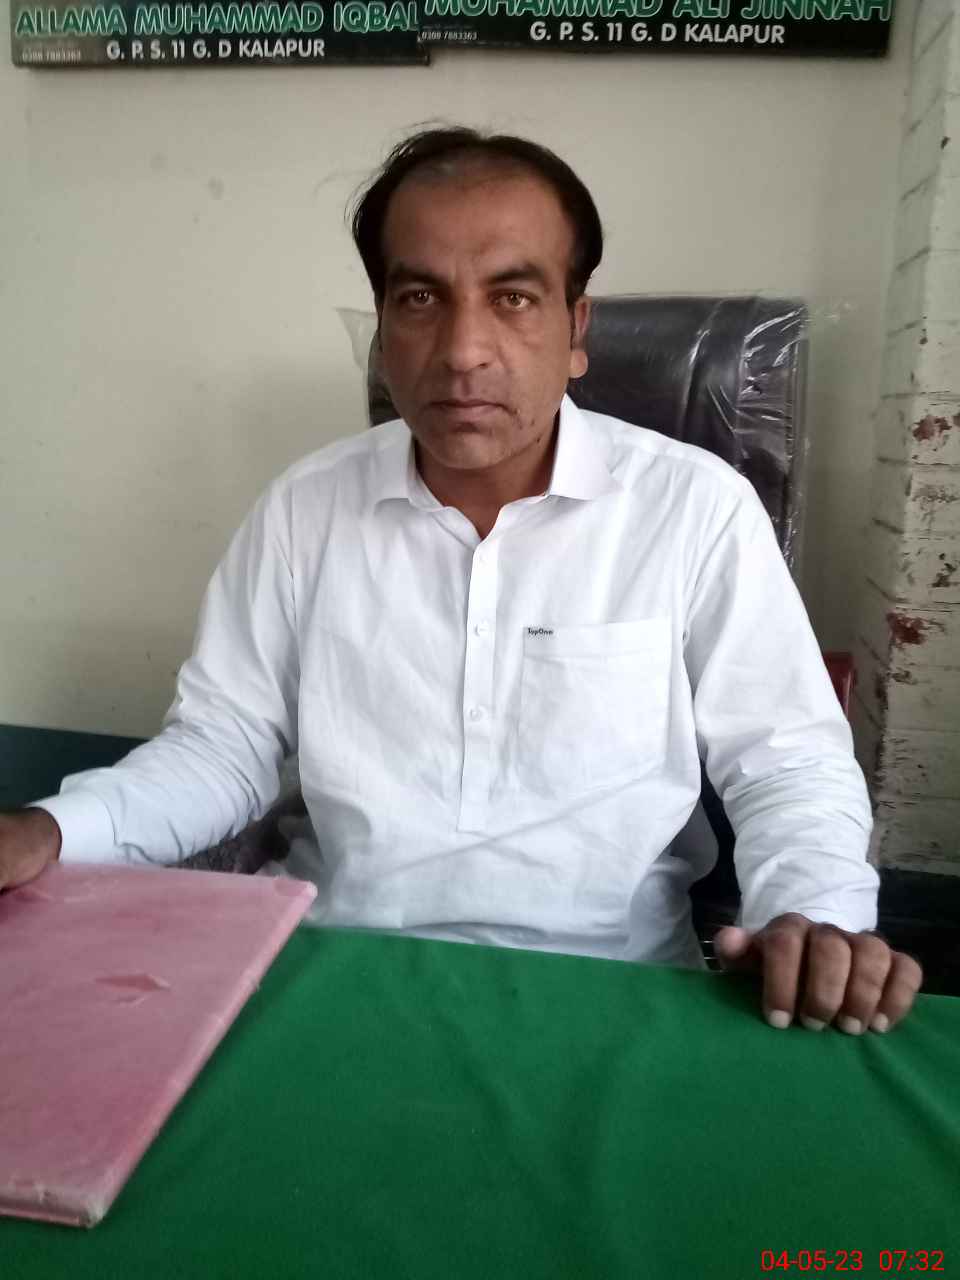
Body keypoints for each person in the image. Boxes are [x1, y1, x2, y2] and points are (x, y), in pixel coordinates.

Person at [0, 126, 921, 1034]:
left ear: (575, 328)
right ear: (383, 328)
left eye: (513, 298)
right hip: (332, 973)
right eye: (420, 298)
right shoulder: (304, 509)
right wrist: (54, 830)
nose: (463, 349)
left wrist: (815, 916)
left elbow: (787, 762)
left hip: (610, 991)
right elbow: (221, 747)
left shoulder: (693, 509)